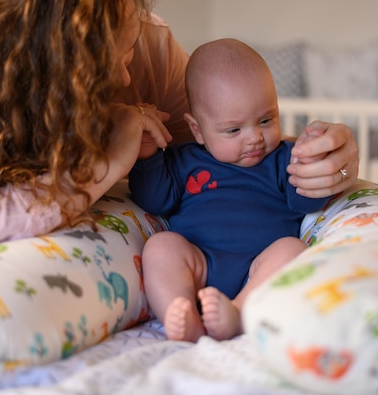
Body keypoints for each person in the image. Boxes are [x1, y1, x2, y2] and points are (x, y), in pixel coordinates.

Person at [0, 0, 358, 291]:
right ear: (43, 64)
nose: (128, 80)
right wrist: (103, 163)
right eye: (110, 62)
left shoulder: (149, 46)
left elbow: (234, 142)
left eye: (129, 53)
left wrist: (322, 156)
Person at [128, 38, 334, 343]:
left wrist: (312, 160)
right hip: (198, 263)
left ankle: (239, 311)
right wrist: (147, 156)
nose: (254, 138)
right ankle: (180, 310)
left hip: (261, 268)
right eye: (234, 130)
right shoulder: (183, 160)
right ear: (197, 129)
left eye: (266, 120)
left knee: (292, 250)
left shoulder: (282, 158)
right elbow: (154, 199)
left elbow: (305, 201)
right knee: (161, 246)